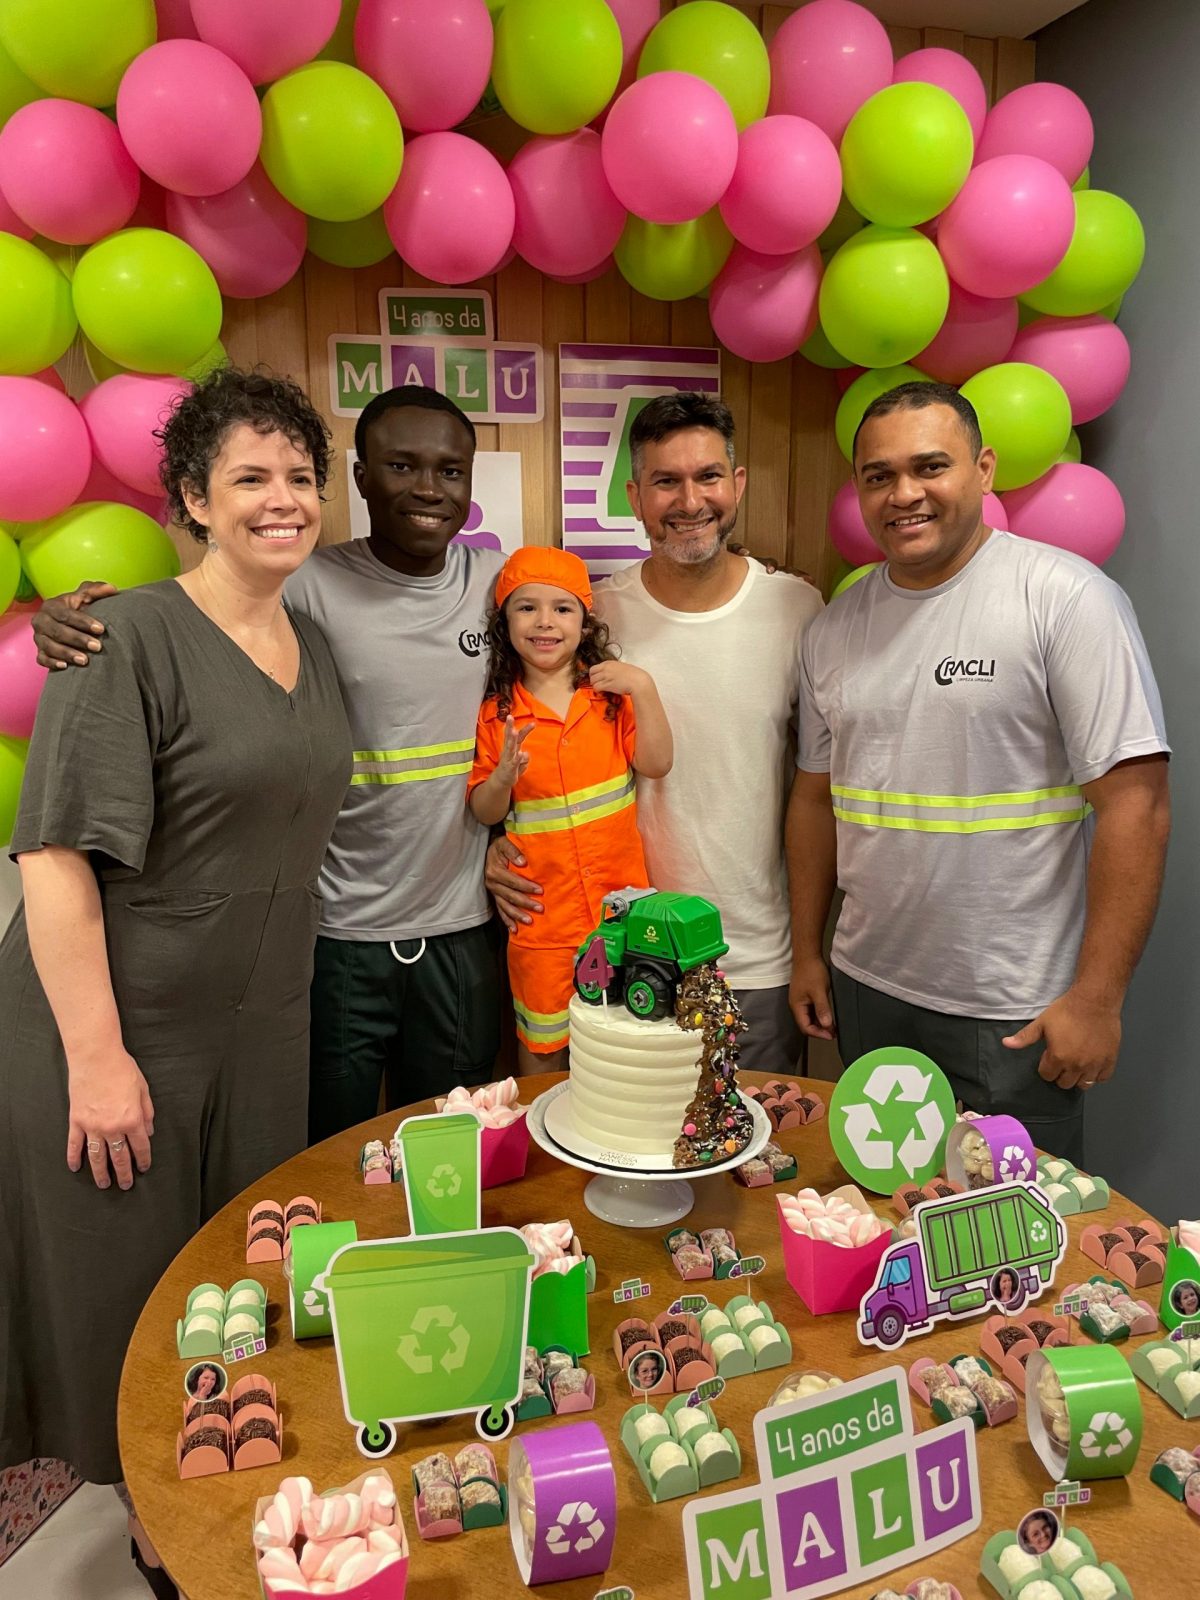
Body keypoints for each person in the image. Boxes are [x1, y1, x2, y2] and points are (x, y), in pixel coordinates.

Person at [0, 367, 352, 1593]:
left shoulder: (309, 640)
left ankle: (216, 1491)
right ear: (193, 498)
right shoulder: (125, 637)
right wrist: (97, 1063)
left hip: (261, 1019)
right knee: (130, 1307)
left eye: (301, 476)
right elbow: (54, 858)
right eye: (249, 477)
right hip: (124, 1025)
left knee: (232, 1286)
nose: (282, 499)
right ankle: (158, 1536)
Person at [33, 386, 504, 1142]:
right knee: (324, 1155)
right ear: (359, 478)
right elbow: (198, 617)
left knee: (455, 1146)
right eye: (401, 465)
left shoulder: (501, 586)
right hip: (331, 935)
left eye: (451, 471)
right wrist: (72, 624)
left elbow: (573, 665)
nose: (427, 487)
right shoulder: (305, 584)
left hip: (456, 928)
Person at [788, 380, 1170, 1164]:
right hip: (871, 992)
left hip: (1014, 1010)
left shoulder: (1065, 599)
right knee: (884, 1224)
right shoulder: (832, 632)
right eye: (879, 475)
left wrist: (1097, 1000)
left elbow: (1138, 805)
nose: (905, 494)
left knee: (1012, 1252)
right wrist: (806, 953)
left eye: (931, 466)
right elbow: (815, 798)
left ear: (985, 469)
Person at [487, 393, 825, 1072]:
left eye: (707, 477)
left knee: (744, 1163)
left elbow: (816, 791)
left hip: (753, 954)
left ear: (738, 485)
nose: (689, 500)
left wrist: (811, 950)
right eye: (666, 482)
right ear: (637, 498)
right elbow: (529, 740)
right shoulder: (590, 617)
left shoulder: (797, 609)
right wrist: (501, 849)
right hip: (618, 952)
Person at [468, 547, 672, 1070]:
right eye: (526, 607)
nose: (544, 622)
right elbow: (485, 812)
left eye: (563, 608)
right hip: (540, 923)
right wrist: (503, 777)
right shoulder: (497, 713)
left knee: (621, 1045)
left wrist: (643, 689)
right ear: (503, 622)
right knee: (544, 1050)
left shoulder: (609, 696)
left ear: (585, 622)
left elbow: (656, 763)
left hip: (620, 916)